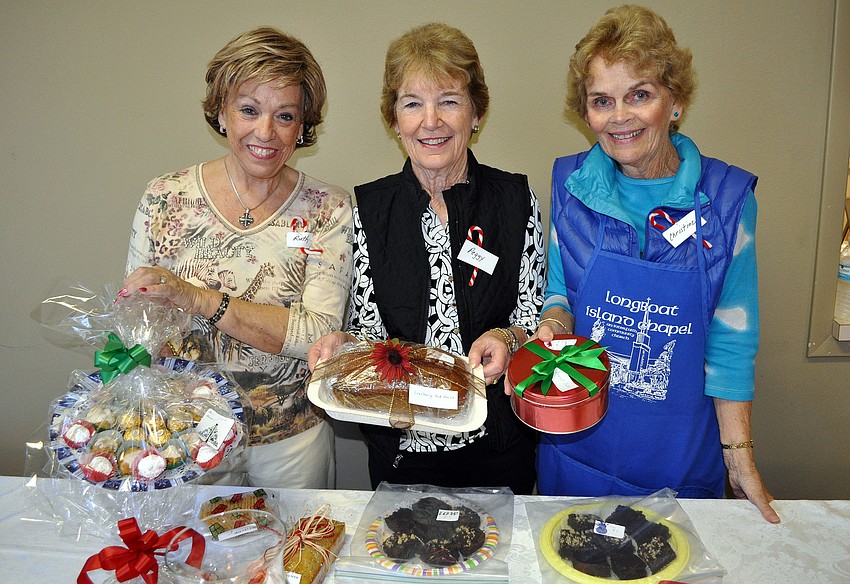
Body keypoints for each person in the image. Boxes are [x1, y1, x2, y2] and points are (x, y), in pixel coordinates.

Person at [530, 5, 779, 522]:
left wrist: (739, 458)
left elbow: (732, 342)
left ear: (676, 101)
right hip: (578, 454)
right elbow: (560, 294)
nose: (620, 117)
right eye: (602, 101)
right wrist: (550, 327)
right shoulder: (571, 187)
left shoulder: (726, 201)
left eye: (639, 95)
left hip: (679, 463)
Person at [307, 23, 544, 495]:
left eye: (450, 100)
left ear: (476, 113)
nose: (430, 121)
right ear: (394, 120)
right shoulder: (368, 210)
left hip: (498, 440)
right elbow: (368, 331)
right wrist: (343, 348)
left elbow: (535, 311)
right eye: (412, 103)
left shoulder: (514, 199)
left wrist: (509, 335)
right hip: (402, 447)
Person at [122, 27, 354, 489]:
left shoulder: (328, 207)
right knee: (192, 555)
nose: (265, 132)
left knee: (293, 555)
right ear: (222, 112)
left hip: (291, 440)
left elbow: (316, 334)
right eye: (249, 110)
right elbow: (136, 324)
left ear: (303, 125)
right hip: (187, 434)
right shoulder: (165, 197)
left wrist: (200, 299)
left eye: (284, 115)